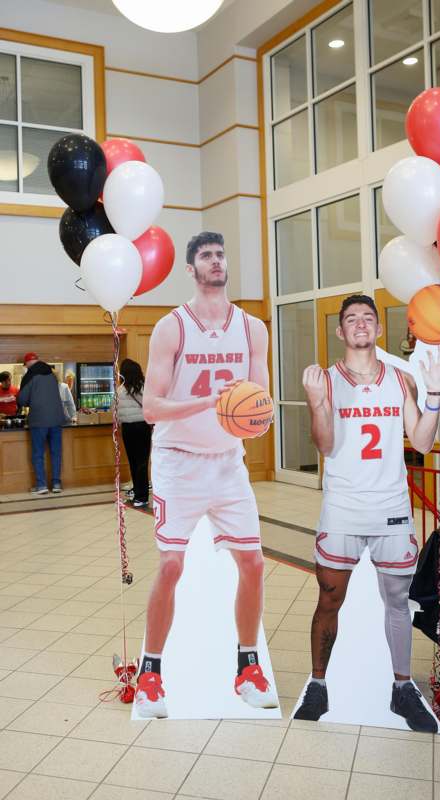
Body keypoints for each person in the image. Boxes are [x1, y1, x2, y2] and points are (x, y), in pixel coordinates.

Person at [294, 294, 440, 733]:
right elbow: (324, 445)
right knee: (329, 598)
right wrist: (316, 402)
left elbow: (421, 442)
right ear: (340, 331)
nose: (360, 324)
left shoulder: (401, 380)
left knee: (397, 601)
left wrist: (436, 392)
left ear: (378, 330)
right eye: (351, 319)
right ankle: (318, 684)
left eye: (368, 317)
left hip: (391, 508)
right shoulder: (324, 379)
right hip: (343, 506)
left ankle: (402, 688)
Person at [134, 231, 277, 718]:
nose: (216, 262)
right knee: (172, 566)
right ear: (191, 270)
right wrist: (211, 403)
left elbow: (259, 399)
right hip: (179, 461)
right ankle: (150, 673)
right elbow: (151, 407)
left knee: (254, 564)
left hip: (227, 462)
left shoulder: (252, 328)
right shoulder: (171, 327)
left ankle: (248, 668)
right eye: (206, 257)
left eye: (221, 254)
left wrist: (258, 414)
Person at [17, 352, 65, 495]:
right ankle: (56, 484)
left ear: (27, 364)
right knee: (56, 452)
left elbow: (22, 400)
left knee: (38, 453)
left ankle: (41, 485)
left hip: (39, 420)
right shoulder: (52, 374)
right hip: (56, 419)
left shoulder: (30, 376)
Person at [118, 358, 152, 508]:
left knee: (133, 461)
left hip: (128, 428)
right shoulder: (146, 388)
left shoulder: (121, 391)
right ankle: (142, 495)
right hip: (143, 426)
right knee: (143, 461)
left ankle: (138, 493)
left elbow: (117, 413)